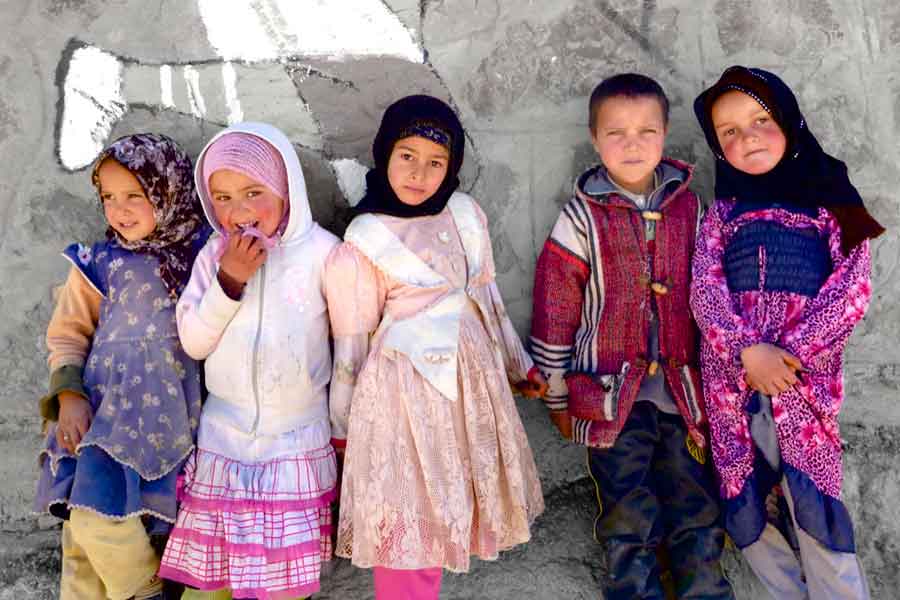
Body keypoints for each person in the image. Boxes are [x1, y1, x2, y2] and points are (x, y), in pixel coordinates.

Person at [325, 94, 546, 600]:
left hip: (471, 392)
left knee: (453, 503)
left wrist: (519, 366)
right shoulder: (364, 242)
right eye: (407, 156)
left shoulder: (465, 217)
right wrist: (342, 427)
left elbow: (485, 299)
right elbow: (351, 344)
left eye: (436, 162)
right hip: (403, 401)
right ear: (384, 154)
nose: (419, 173)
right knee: (411, 511)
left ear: (453, 168)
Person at [529, 73, 734, 599]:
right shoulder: (580, 216)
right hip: (608, 399)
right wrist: (556, 392)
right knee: (626, 506)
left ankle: (704, 591)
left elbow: (714, 297)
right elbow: (556, 309)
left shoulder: (692, 208)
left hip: (684, 396)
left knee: (696, 501)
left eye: (647, 131)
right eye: (616, 133)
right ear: (595, 139)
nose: (633, 144)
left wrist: (726, 388)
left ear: (666, 134)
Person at [691, 65, 885, 599]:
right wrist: (748, 350)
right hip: (732, 389)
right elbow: (704, 293)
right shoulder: (722, 213)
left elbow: (853, 288)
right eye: (728, 131)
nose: (746, 136)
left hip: (804, 389)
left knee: (813, 505)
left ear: (790, 120)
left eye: (761, 119)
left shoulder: (832, 199)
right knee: (746, 505)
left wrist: (788, 357)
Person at [158, 123, 339, 600]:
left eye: (254, 192)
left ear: (286, 191)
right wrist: (228, 282)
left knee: (283, 588)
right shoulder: (211, 258)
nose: (237, 212)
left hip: (294, 444)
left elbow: (350, 346)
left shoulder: (324, 254)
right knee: (211, 583)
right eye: (221, 197)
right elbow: (195, 342)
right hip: (225, 442)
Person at [34, 133, 207, 600]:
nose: (119, 209)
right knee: (88, 531)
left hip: (172, 426)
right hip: (103, 422)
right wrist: (68, 396)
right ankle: (142, 588)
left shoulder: (200, 259)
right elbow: (68, 335)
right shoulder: (98, 263)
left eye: (135, 195)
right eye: (108, 197)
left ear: (169, 192)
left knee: (149, 528)